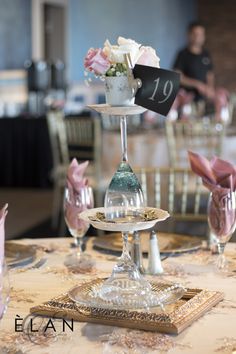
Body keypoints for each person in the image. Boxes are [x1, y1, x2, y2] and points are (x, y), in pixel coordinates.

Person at [172, 21, 229, 121]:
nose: (198, 37)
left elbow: (209, 74)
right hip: (186, 94)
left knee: (222, 95)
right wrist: (197, 84)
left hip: (204, 94)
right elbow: (178, 76)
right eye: (195, 34)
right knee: (177, 99)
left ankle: (219, 124)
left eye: (201, 34)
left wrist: (210, 88)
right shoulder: (182, 54)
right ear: (189, 35)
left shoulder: (206, 54)